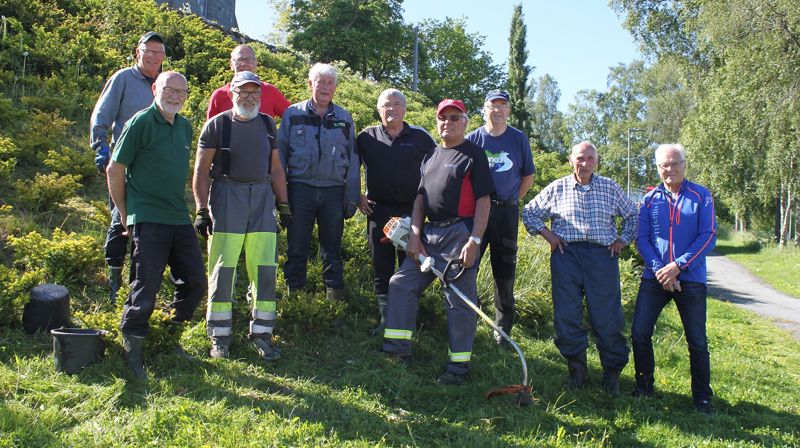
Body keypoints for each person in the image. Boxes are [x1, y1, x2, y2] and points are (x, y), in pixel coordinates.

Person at [382, 99, 494, 385]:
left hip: (460, 234)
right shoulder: (430, 156)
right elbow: (420, 198)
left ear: (465, 122)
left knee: (459, 300)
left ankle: (458, 369)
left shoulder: (474, 155)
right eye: (443, 117)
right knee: (401, 283)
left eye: (454, 118)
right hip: (429, 234)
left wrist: (475, 240)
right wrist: (415, 234)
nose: (448, 122)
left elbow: (484, 201)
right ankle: (397, 353)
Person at [106, 71, 207, 379]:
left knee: (195, 283)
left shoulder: (185, 126)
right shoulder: (140, 122)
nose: (175, 96)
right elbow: (115, 168)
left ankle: (168, 337)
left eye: (181, 91)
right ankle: (132, 350)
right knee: (145, 285)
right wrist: (124, 212)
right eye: (169, 89)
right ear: (155, 89)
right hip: (147, 217)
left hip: (177, 216)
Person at [522, 141, 637, 395]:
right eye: (579, 159)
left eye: (589, 159)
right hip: (566, 256)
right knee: (567, 315)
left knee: (607, 317)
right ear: (570, 160)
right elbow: (529, 213)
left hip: (601, 256)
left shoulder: (610, 188)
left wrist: (623, 240)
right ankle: (577, 371)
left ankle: (612, 375)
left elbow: (633, 215)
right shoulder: (557, 188)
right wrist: (548, 236)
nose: (584, 164)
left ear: (597, 161)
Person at [194, 71, 291, 362]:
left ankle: (262, 333)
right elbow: (200, 172)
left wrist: (283, 204)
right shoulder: (217, 125)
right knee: (223, 270)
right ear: (232, 94)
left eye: (254, 93)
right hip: (227, 196)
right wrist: (201, 209)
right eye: (243, 92)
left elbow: (275, 169)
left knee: (264, 269)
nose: (249, 98)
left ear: (261, 96)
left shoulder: (267, 124)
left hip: (262, 199)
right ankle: (219, 336)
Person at [631, 144, 717, 414]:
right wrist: (661, 269)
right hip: (654, 277)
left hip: (690, 278)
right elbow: (642, 239)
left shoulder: (701, 196)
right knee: (639, 332)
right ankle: (644, 386)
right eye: (663, 165)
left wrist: (677, 266)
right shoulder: (649, 199)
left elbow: (708, 236)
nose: (669, 169)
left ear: (684, 163)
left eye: (674, 163)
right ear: (657, 168)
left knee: (697, 341)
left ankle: (702, 398)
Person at [90, 31, 165, 302]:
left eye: (160, 53)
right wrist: (101, 147)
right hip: (123, 164)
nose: (154, 57)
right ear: (138, 52)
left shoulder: (165, 84)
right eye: (150, 51)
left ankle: (139, 284)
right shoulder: (123, 78)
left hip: (154, 170)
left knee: (147, 226)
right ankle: (114, 283)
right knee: (119, 220)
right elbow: (102, 115)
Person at [356, 88, 436, 335]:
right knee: (381, 266)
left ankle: (407, 318)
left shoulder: (421, 137)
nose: (391, 109)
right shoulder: (366, 137)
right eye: (386, 105)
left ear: (405, 108)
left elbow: (436, 169)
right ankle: (385, 319)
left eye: (396, 104)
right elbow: (348, 167)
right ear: (378, 110)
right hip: (377, 210)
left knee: (409, 267)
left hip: (411, 211)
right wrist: (356, 195)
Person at [278, 63, 359, 301]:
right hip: (299, 189)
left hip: (333, 191)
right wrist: (280, 197)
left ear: (335, 87)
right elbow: (279, 158)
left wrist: (352, 195)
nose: (325, 87)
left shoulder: (344, 118)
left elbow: (353, 159)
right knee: (297, 246)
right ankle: (296, 297)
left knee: (332, 247)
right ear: (310, 84)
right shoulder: (293, 114)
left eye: (329, 83)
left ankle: (334, 299)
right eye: (320, 82)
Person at [466, 89, 535, 346]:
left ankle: (503, 330)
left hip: (506, 212)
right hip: (477, 212)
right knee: (468, 266)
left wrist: (512, 198)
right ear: (485, 109)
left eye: (503, 106)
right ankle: (467, 320)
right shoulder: (474, 139)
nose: (498, 110)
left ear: (509, 110)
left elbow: (528, 176)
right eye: (493, 106)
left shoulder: (518, 139)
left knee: (504, 271)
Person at [206, 44, 291, 119]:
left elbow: (292, 117)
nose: (244, 64)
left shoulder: (270, 91)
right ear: (231, 65)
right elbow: (211, 132)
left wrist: (279, 135)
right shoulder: (219, 95)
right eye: (239, 60)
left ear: (256, 64)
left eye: (249, 59)